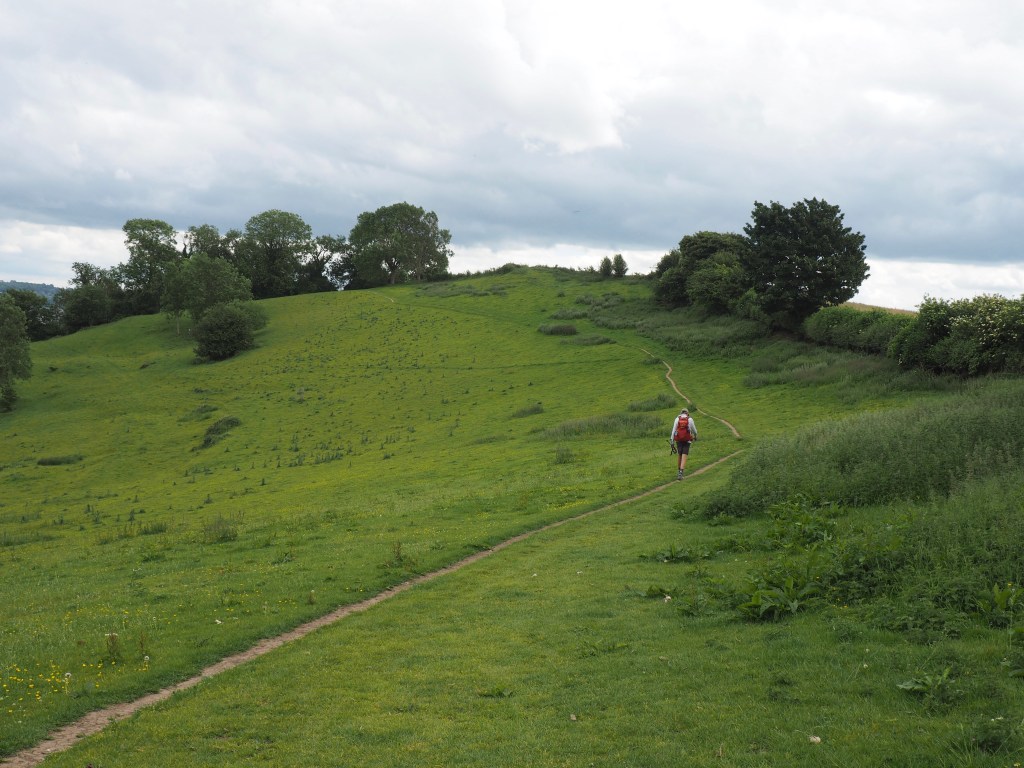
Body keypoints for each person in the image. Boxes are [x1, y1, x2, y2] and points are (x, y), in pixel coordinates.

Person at [670, 408, 697, 479]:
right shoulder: (690, 419)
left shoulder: (677, 419)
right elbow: (694, 430)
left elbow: (673, 430)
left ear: (681, 413)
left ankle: (679, 471)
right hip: (687, 439)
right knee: (685, 454)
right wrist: (695, 436)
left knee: (680, 454)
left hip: (678, 439)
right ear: (687, 413)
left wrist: (672, 441)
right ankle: (681, 473)